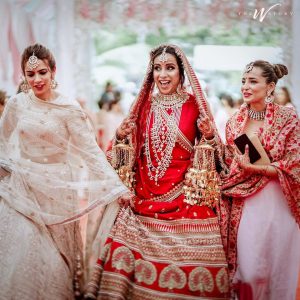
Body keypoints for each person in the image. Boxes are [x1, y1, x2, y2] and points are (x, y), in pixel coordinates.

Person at [85, 44, 230, 299]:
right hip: (141, 198)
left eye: (170, 68)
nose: (163, 75)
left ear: (181, 74)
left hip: (184, 198)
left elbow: (219, 158)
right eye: (157, 68)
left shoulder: (195, 105)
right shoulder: (143, 105)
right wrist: (120, 136)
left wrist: (207, 136)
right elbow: (121, 152)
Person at [0, 43, 130, 299]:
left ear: (53, 71)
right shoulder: (16, 104)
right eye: (30, 74)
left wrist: (116, 187)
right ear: (24, 76)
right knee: (24, 249)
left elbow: (91, 152)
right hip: (22, 190)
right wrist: (7, 172)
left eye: (42, 73)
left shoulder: (69, 109)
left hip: (56, 190)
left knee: (53, 256)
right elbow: (2, 142)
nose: (37, 80)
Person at [221, 60, 300, 299]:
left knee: (279, 274)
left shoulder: (288, 119)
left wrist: (262, 169)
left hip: (279, 204)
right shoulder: (234, 122)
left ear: (270, 86)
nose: (245, 86)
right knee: (251, 272)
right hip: (247, 205)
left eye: (253, 81)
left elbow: (296, 164)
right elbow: (229, 164)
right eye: (244, 81)